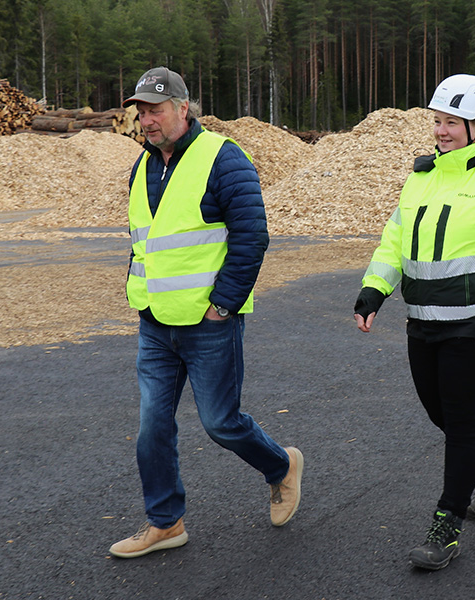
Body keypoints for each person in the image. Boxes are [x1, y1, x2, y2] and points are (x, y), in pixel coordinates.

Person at [109, 66, 303, 559]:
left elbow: (252, 236)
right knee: (152, 426)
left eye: (155, 110)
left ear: (182, 107)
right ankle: (165, 522)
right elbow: (145, 240)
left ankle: (281, 467)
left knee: (220, 423)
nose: (146, 120)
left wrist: (223, 305)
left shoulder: (224, 159)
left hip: (207, 323)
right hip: (155, 322)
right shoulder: (143, 164)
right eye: (141, 112)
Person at [353, 74, 475, 571]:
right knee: (443, 415)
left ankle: (446, 526)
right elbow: (394, 240)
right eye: (437, 121)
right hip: (424, 319)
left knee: (459, 423)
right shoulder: (421, 176)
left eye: (452, 122)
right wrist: (376, 288)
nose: (441, 131)